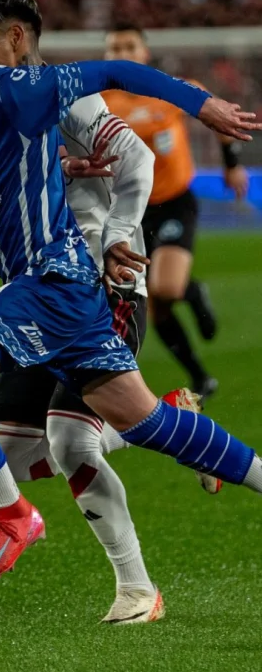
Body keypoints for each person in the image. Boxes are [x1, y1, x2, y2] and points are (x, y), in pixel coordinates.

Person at [0, 0, 262, 601]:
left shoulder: (20, 89)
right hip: (55, 289)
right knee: (142, 424)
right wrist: (52, 170)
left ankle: (15, 519)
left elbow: (116, 75)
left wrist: (203, 106)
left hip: (59, 281)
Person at [0, 0, 221, 623]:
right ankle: (169, 418)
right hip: (35, 290)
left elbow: (135, 160)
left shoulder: (59, 96)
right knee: (14, 455)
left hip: (99, 283)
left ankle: (137, 590)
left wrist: (117, 240)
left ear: (15, 39)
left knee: (72, 442)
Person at [104, 23, 249, 400]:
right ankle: (200, 376)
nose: (121, 53)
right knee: (156, 307)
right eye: (114, 47)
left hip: (173, 203)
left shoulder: (172, 89)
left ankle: (189, 289)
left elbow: (217, 116)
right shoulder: (99, 100)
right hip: (128, 212)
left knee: (163, 288)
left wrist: (231, 163)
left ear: (144, 53)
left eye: (129, 46)